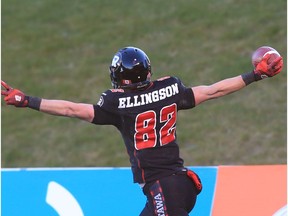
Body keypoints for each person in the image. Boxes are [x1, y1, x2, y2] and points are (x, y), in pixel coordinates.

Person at [1, 46, 283, 215]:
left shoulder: (116, 102)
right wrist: (255, 75)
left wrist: (28, 101)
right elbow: (213, 90)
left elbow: (72, 109)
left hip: (164, 186)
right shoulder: (169, 87)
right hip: (178, 185)